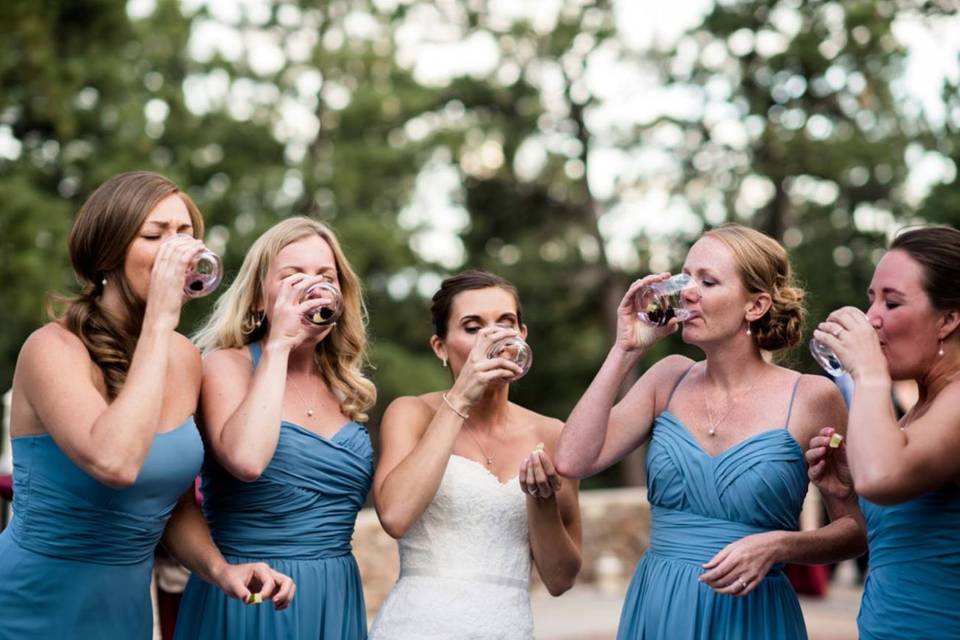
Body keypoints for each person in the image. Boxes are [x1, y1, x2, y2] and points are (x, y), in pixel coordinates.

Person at [0, 171, 294, 640]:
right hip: (29, 606)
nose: (177, 251)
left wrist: (222, 571)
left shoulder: (182, 358)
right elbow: (116, 462)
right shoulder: (52, 349)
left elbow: (172, 505)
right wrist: (159, 319)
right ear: (108, 255)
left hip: (124, 615)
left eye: (185, 235)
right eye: (155, 235)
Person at [555, 224, 866, 639]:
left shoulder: (812, 397)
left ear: (755, 306)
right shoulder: (667, 378)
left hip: (753, 615)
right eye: (686, 276)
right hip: (660, 606)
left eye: (708, 281)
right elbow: (573, 460)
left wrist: (781, 545)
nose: (685, 292)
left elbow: (855, 531)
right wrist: (624, 350)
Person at [175, 216, 376, 639]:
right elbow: (247, 460)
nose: (311, 285)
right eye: (292, 275)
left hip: (335, 593)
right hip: (251, 591)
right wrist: (281, 344)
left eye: (325, 275)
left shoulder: (347, 387)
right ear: (259, 299)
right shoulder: (224, 365)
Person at [369, 270, 582, 640]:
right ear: (440, 346)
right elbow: (395, 516)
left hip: (508, 628)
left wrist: (542, 501)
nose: (494, 338)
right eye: (472, 327)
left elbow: (560, 579)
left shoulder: (553, 434)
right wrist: (462, 398)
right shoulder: (412, 414)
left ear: (522, 336)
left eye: (506, 323)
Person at [806, 225, 960, 640]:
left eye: (891, 303)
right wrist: (842, 491)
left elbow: (882, 477)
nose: (871, 318)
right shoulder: (919, 413)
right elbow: (900, 540)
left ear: (948, 319)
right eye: (870, 298)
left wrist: (868, 371)